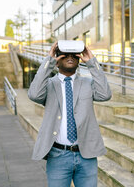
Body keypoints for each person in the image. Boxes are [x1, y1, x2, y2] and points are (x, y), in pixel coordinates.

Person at [28, 41, 112, 187]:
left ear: (79, 60)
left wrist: (92, 62)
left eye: (74, 55)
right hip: (58, 155)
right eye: (64, 54)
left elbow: (105, 94)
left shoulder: (88, 83)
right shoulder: (48, 85)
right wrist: (49, 60)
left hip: (86, 154)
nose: (70, 57)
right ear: (57, 60)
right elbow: (34, 94)